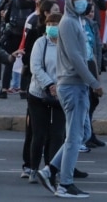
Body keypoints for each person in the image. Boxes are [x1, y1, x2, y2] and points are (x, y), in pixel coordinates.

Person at [44, 0, 103, 198]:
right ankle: (65, 183)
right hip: (72, 84)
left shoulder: (80, 21)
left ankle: (50, 169)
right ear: (69, 0)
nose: (81, 1)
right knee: (75, 136)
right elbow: (76, 57)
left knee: (83, 133)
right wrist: (93, 81)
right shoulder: (68, 22)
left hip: (80, 85)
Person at [31, 12, 68, 189]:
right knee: (39, 134)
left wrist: (59, 87)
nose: (52, 26)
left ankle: (52, 170)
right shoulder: (41, 43)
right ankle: (32, 168)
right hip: (39, 94)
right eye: (50, 23)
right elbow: (36, 67)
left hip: (61, 95)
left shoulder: (67, 44)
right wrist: (49, 85)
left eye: (56, 23)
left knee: (58, 134)